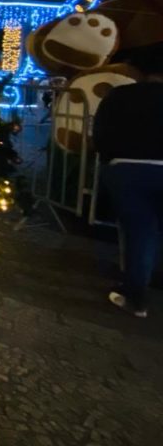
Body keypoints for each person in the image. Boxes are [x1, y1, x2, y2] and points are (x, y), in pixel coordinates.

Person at [92, 45, 163, 318]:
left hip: (128, 170)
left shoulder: (121, 96)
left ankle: (136, 297)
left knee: (140, 233)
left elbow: (102, 134)